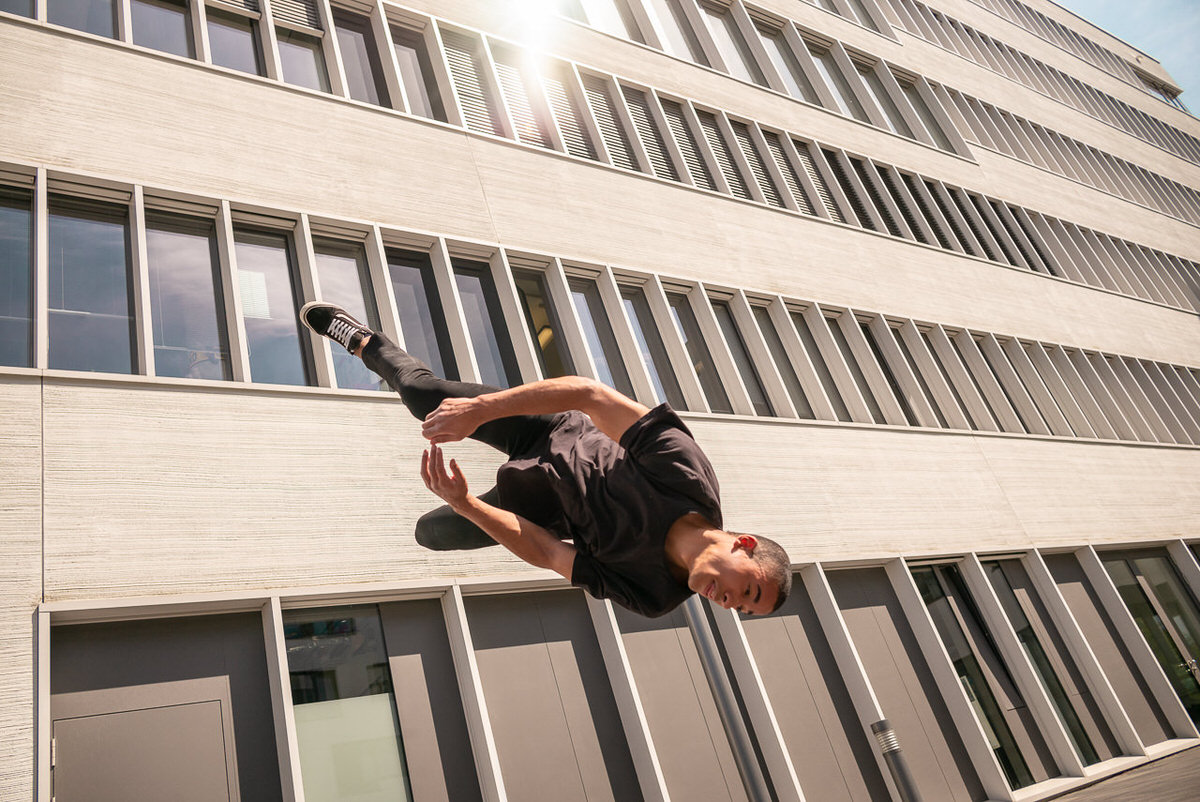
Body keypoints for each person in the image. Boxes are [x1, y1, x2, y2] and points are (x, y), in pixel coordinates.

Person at [301, 301, 792, 618]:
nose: (731, 605)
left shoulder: (653, 594)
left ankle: (459, 501)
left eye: (744, 611)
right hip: (553, 431)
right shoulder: (686, 475)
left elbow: (552, 554)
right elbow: (587, 393)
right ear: (743, 545)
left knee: (432, 532)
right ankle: (364, 342)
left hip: (539, 507)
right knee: (423, 396)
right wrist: (480, 409)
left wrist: (466, 501)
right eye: (749, 592)